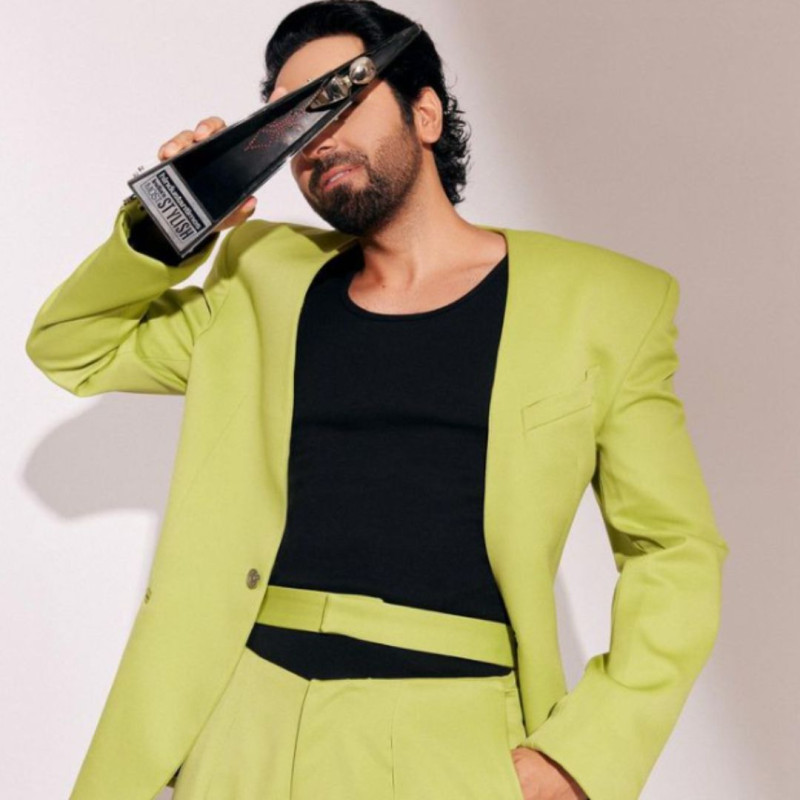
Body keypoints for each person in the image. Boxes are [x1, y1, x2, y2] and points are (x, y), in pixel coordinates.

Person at [25, 2, 729, 799]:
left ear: (424, 113)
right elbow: (75, 346)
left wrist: (581, 756)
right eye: (288, 123)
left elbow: (674, 550)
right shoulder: (263, 280)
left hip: (453, 735)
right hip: (240, 721)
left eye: (337, 99)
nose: (315, 139)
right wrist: (169, 225)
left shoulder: (604, 306)